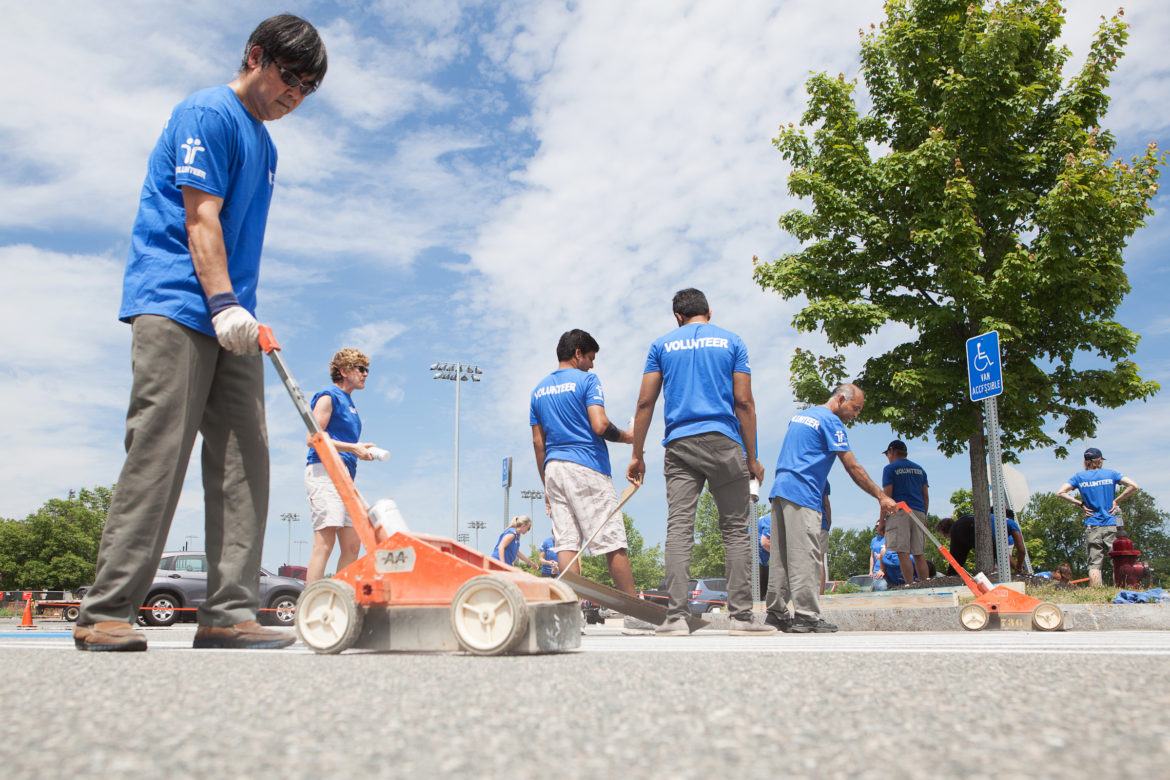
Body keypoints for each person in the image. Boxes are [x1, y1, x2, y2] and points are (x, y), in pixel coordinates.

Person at [74, 15, 327, 652]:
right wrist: (220, 303)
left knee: (248, 457)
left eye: (307, 90)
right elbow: (201, 218)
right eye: (290, 77)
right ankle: (106, 611)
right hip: (178, 303)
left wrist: (238, 311)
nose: (294, 95)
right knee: (160, 450)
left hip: (232, 317)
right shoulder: (209, 113)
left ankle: (228, 612)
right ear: (255, 56)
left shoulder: (266, 145)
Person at [627, 289, 774, 636]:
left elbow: (645, 404)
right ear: (709, 311)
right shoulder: (732, 341)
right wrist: (752, 457)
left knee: (679, 528)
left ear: (677, 317)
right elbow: (744, 402)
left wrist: (637, 453)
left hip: (679, 445)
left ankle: (676, 618)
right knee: (736, 530)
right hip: (724, 441)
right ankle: (740, 617)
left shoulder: (661, 346)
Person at [765, 383, 898, 633]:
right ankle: (806, 616)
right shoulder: (830, 421)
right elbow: (852, 466)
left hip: (781, 490)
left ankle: (776, 614)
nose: (855, 415)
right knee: (806, 556)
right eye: (855, 408)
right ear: (839, 400)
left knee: (781, 557)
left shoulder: (801, 416)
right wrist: (881, 496)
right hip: (803, 493)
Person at [530, 330, 636, 598]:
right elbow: (599, 424)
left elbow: (538, 443)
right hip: (587, 465)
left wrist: (546, 485)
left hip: (553, 469)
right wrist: (627, 438)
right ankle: (634, 610)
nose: (592, 364)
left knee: (566, 543)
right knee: (612, 539)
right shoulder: (588, 381)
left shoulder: (538, 390)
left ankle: (569, 613)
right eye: (590, 357)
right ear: (578, 353)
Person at [304, 349, 379, 584]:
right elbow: (312, 437)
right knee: (324, 544)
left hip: (345, 476)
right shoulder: (329, 396)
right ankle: (311, 603)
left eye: (367, 369)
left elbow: (344, 443)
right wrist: (353, 447)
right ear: (344, 371)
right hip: (324, 471)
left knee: (353, 544)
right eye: (361, 369)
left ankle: (337, 598)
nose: (366, 374)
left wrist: (358, 448)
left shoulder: (351, 405)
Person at [1057, 447, 1140, 586]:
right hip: (1111, 522)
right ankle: (1119, 587)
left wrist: (1080, 504)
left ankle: (1097, 590)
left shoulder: (1079, 477)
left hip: (1092, 523)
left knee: (1094, 562)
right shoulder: (1111, 474)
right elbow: (1133, 485)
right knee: (1117, 559)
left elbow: (1060, 492)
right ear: (1100, 460)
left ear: (1085, 462)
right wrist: (1116, 500)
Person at [880, 440, 930, 585]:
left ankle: (909, 585)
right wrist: (924, 515)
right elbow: (925, 496)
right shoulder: (920, 469)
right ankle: (926, 585)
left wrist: (881, 520)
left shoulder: (890, 469)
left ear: (892, 452)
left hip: (899, 512)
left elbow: (886, 497)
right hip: (918, 511)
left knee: (902, 552)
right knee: (919, 553)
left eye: (888, 454)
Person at [937, 510, 1026, 575]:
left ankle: (950, 577)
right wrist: (1018, 569)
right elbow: (1021, 550)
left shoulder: (993, 518)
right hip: (971, 524)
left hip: (960, 524)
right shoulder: (1013, 525)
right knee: (997, 554)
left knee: (955, 563)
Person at [818, 485, 831, 596]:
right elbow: (826, 503)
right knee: (820, 560)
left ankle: (810, 594)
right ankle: (819, 594)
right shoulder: (824, 477)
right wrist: (828, 521)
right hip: (821, 522)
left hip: (805, 521)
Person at [869, 519, 888, 591]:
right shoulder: (874, 540)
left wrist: (881, 555)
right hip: (877, 569)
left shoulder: (889, 537)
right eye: (877, 526)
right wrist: (870, 570)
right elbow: (872, 556)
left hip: (888, 568)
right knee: (881, 589)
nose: (878, 527)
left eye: (880, 525)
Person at [757, 512, 771, 600]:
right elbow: (765, 542)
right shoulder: (772, 519)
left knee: (763, 594)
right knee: (758, 595)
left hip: (763, 560)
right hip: (754, 559)